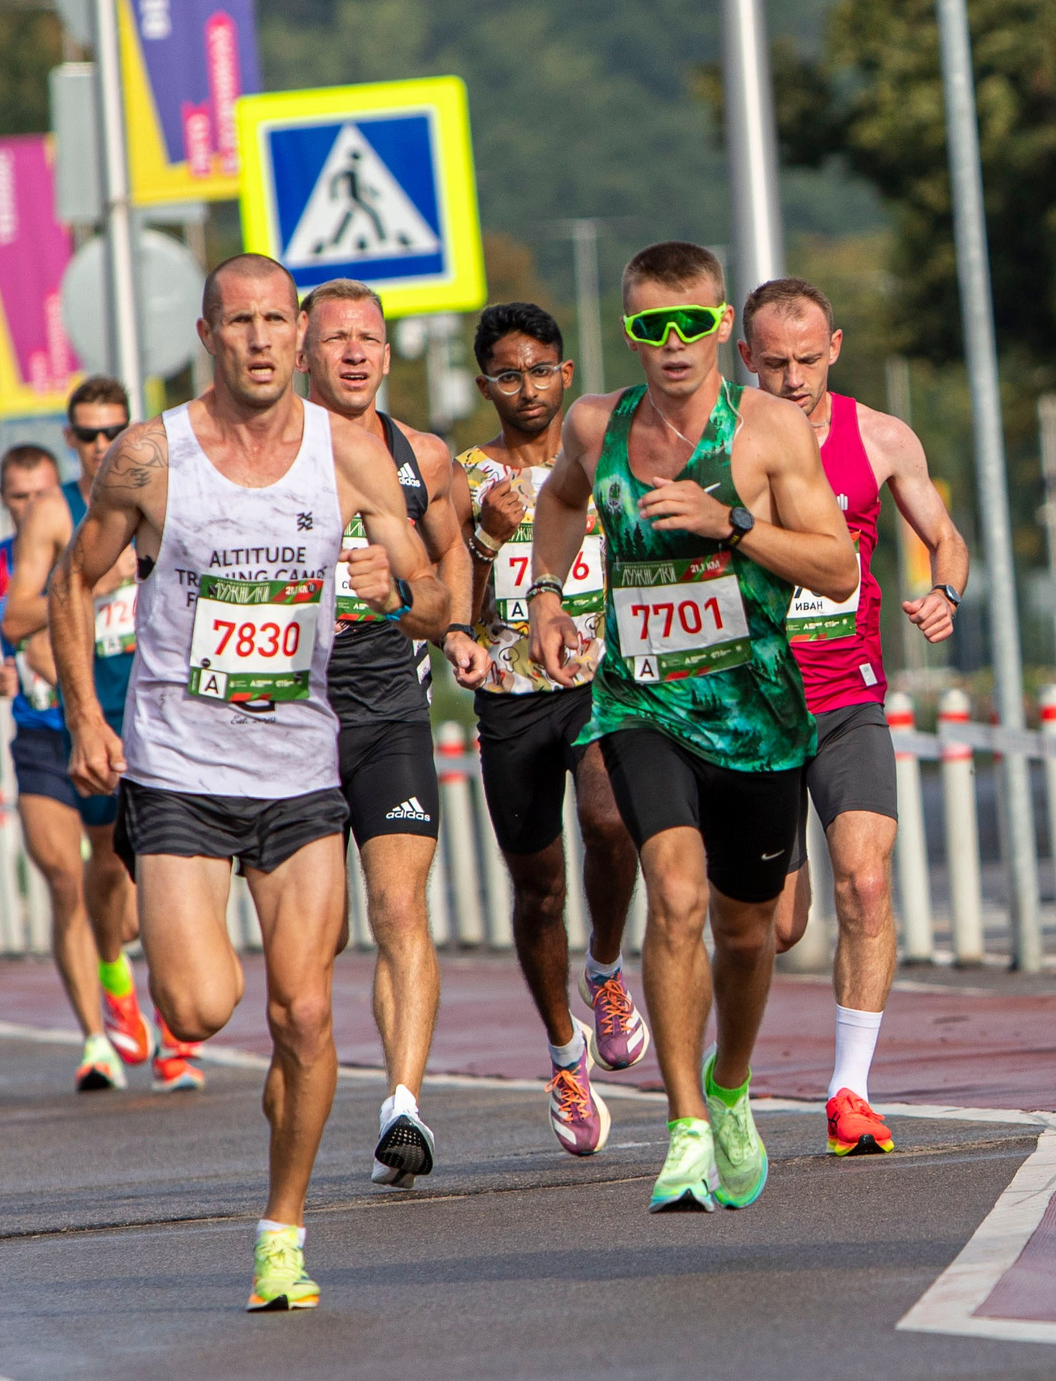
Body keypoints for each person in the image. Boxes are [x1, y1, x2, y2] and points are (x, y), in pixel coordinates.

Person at [48, 252, 432, 1310]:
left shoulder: (347, 456)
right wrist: (86, 714)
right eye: (240, 322)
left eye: (277, 322)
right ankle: (189, 1041)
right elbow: (70, 583)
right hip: (176, 766)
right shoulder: (146, 457)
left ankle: (283, 1231)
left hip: (302, 767)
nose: (261, 340)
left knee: (305, 1014)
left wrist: (391, 579)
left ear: (300, 338)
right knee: (201, 1005)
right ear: (208, 335)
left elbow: (441, 594)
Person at [525, 241, 858, 1214]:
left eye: (689, 324)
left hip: (753, 708)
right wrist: (548, 595)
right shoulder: (598, 425)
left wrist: (734, 529)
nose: (671, 346)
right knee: (672, 896)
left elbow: (836, 569)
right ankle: (681, 1129)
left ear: (719, 326)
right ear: (629, 332)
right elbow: (558, 502)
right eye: (648, 327)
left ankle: (730, 1086)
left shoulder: (767, 433)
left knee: (747, 934)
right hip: (641, 700)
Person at [742, 279, 968, 1157]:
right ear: (746, 359)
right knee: (777, 922)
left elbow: (944, 534)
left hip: (849, 698)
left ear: (834, 346)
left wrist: (944, 589)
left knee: (867, 882)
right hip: (753, 709)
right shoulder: (721, 445)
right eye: (775, 362)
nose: (794, 378)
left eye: (808, 359)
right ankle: (731, 1080)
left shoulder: (882, 437)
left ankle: (850, 1091)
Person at [444, 302, 652, 1158]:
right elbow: (448, 594)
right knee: (538, 891)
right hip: (510, 694)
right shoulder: (463, 475)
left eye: (541, 372)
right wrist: (486, 540)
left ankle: (605, 970)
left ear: (566, 375)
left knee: (611, 822)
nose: (526, 389)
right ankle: (565, 1056)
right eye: (508, 374)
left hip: (602, 679)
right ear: (485, 382)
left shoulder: (606, 455)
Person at [293, 279, 460, 1186]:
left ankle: (404, 1102)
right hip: (295, 716)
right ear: (304, 355)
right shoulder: (270, 453)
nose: (354, 353)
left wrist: (422, 608)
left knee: (400, 907)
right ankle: (309, 1080)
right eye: (336, 339)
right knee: (315, 936)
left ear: (387, 356)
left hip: (391, 708)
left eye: (369, 339)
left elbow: (444, 589)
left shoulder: (419, 456)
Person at [0, 385, 184, 1092]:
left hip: (154, 714)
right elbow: (11, 621)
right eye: (88, 435)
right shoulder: (52, 511)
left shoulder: (162, 489)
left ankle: (172, 1027)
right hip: (70, 721)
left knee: (150, 878)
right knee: (77, 877)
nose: (101, 446)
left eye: (111, 432)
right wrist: (95, 582)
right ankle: (100, 1029)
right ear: (71, 438)